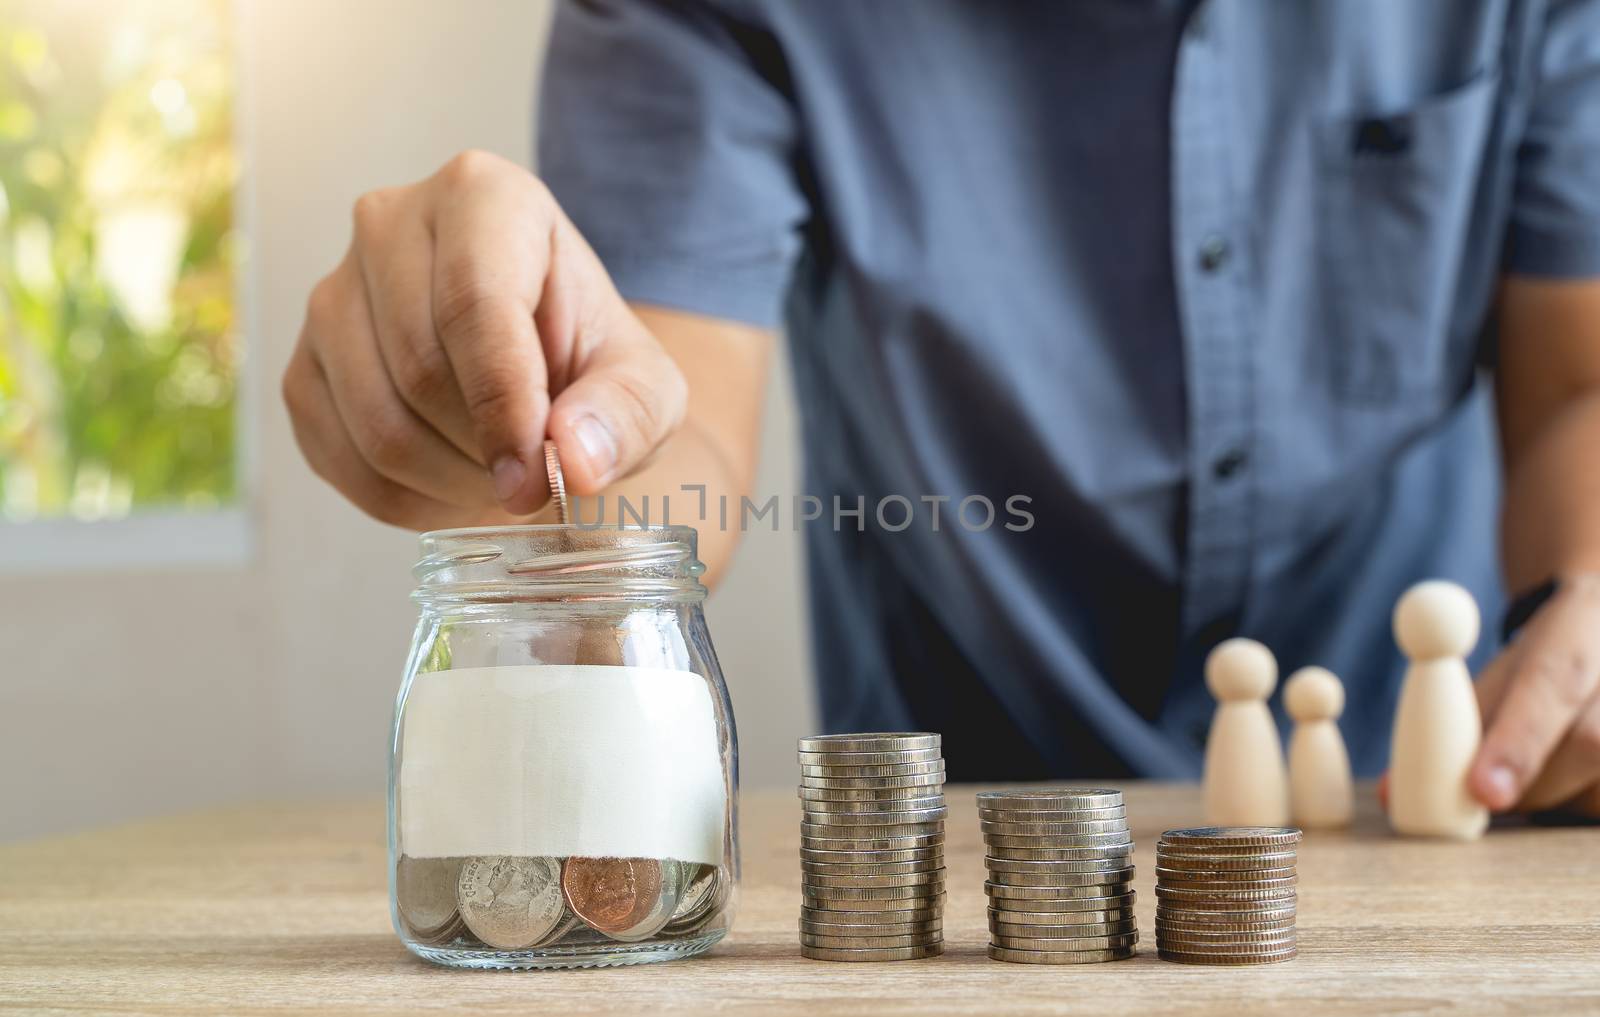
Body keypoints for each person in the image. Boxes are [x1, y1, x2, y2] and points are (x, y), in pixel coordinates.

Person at [284, 1, 1600, 814]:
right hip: (934, 866)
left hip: (1406, 808)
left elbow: (1579, 392)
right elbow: (664, 446)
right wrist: (527, 447)